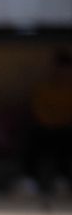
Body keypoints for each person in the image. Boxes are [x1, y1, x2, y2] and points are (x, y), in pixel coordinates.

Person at [22, 50, 72, 197]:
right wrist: (51, 123)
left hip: (65, 130)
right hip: (46, 128)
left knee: (65, 137)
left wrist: (61, 123)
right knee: (34, 135)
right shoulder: (43, 88)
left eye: (66, 70)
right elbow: (38, 111)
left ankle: (62, 179)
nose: (62, 73)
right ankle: (29, 179)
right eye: (59, 69)